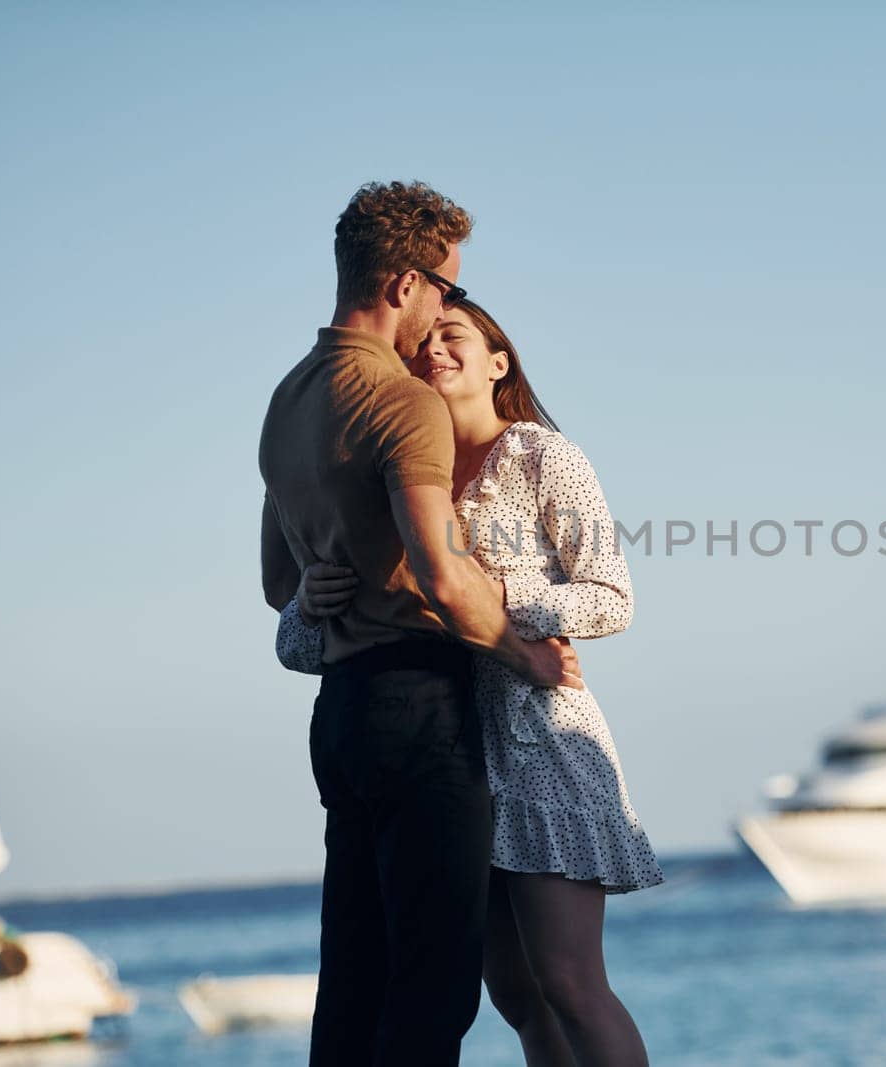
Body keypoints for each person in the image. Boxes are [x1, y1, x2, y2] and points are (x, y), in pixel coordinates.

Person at [277, 299, 663, 1067]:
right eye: (425, 341)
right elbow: (298, 644)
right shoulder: (403, 472)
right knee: (516, 993)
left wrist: (492, 595)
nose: (435, 351)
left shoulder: (542, 455)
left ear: (499, 362)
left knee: (568, 979)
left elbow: (612, 596)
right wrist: (307, 601)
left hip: (543, 740)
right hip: (451, 757)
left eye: (455, 337)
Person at [258, 181, 581, 1067]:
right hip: (420, 708)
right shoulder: (405, 404)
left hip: (342, 711)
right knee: (434, 989)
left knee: (353, 979)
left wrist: (327, 582)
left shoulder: (286, 402)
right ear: (404, 283)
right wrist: (526, 655)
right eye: (447, 288)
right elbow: (442, 574)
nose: (449, 307)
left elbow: (277, 580)